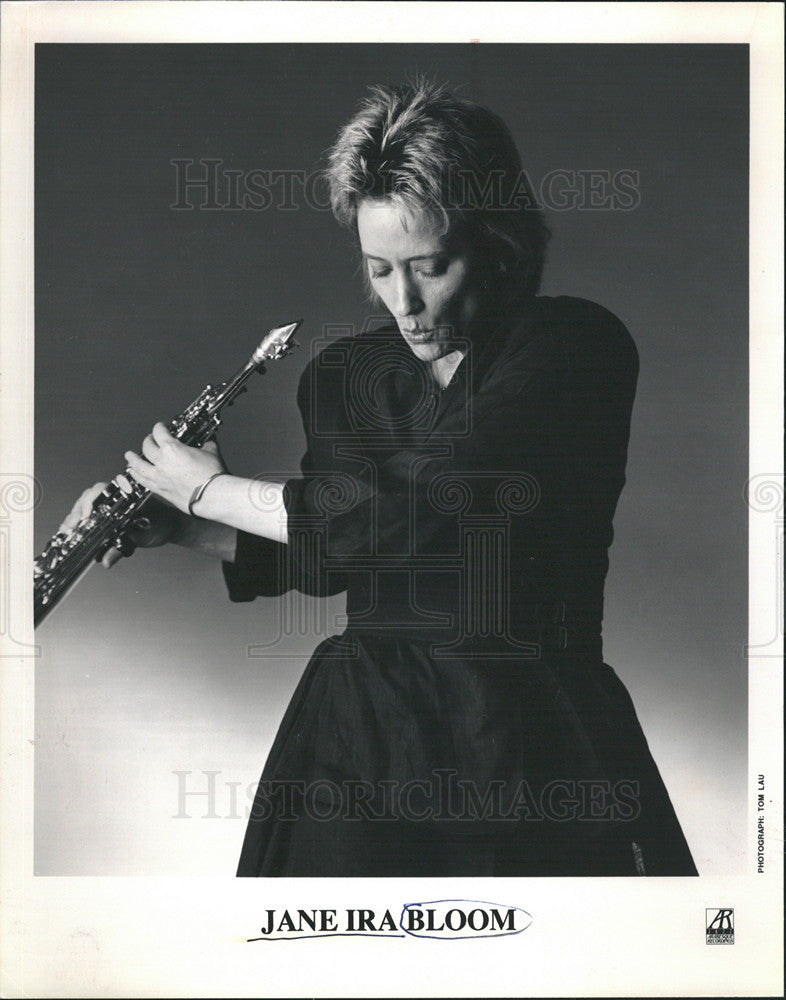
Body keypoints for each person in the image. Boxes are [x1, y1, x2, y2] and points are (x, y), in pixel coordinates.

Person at [62, 80, 697, 877]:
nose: (405, 302)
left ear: (497, 245)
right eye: (379, 268)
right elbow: (336, 553)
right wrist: (185, 527)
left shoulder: (572, 348)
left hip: (532, 732)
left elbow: (431, 504)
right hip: (363, 738)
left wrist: (206, 488)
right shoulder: (344, 372)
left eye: (430, 267)